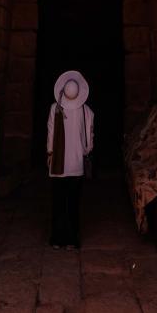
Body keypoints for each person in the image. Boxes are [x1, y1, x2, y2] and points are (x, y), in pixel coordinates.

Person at [47, 70, 93, 249]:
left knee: (58, 203)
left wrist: (50, 153)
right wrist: (83, 150)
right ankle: (73, 240)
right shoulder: (86, 111)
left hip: (58, 166)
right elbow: (89, 143)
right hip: (77, 165)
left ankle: (57, 239)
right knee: (73, 203)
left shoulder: (54, 109)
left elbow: (51, 136)